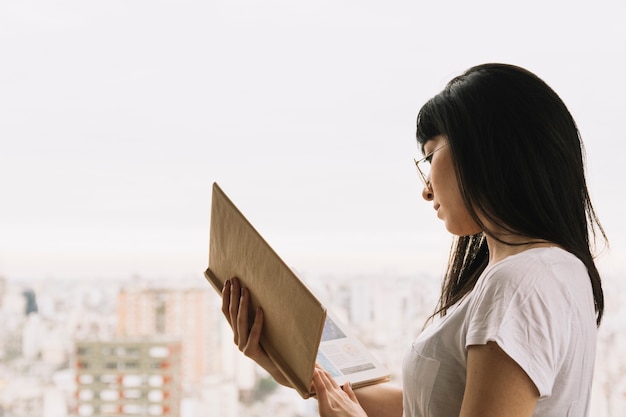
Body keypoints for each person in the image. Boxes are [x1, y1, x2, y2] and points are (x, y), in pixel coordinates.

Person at [221, 63, 607, 417]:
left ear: (484, 149)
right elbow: (426, 406)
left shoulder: (520, 282)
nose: (425, 189)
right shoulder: (547, 270)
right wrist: (295, 368)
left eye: (429, 155)